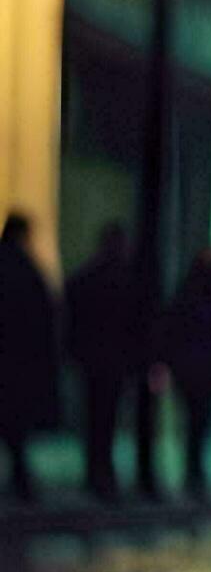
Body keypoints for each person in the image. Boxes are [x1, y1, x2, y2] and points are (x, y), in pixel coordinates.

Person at [63, 223, 135, 502]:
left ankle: (96, 471)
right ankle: (101, 472)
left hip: (95, 360)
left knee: (95, 418)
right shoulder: (121, 279)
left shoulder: (87, 277)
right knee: (105, 419)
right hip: (110, 361)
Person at [160, 250, 211, 502]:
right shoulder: (206, 297)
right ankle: (194, 470)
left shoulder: (199, 296)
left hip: (198, 371)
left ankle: (195, 470)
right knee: (198, 422)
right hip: (198, 371)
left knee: (198, 422)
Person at [0, 214, 61, 505]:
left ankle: (21, 478)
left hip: (12, 360)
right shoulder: (26, 270)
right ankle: (21, 480)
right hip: (20, 361)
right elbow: (43, 317)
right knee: (16, 423)